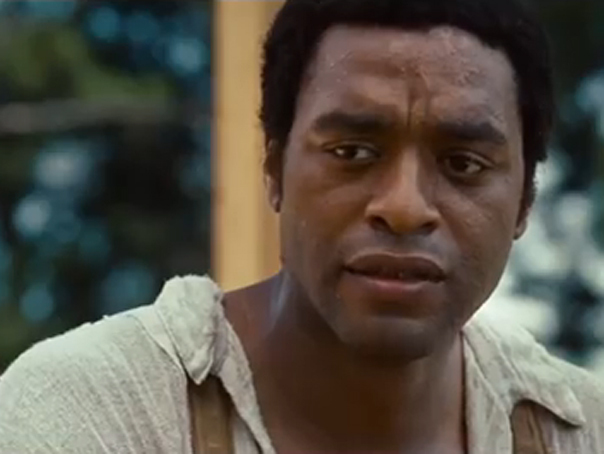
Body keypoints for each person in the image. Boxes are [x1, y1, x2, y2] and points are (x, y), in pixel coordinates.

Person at [1, 0, 603, 452]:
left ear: (525, 200)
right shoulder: (89, 417)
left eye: (463, 164)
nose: (404, 207)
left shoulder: (580, 432)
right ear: (274, 169)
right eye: (352, 152)